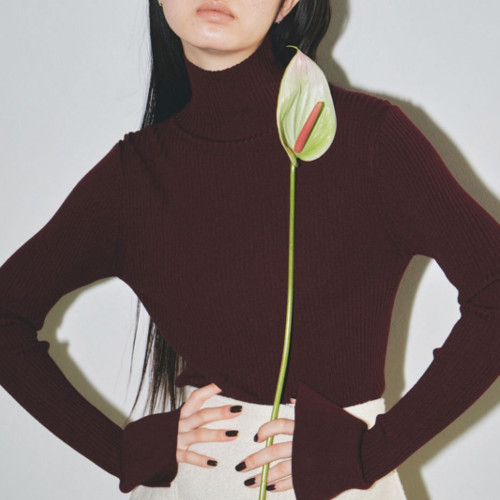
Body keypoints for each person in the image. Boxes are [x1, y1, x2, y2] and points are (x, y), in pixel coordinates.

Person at [0, 1, 499, 499]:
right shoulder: (135, 175)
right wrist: (129, 452)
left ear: (288, 3)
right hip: (197, 484)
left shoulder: (370, 138)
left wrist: (369, 453)